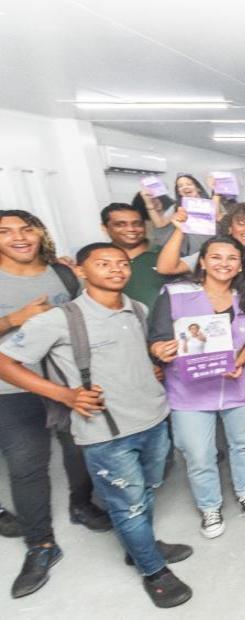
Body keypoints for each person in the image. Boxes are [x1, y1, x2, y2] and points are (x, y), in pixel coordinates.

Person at [0, 242, 194, 608]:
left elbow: (132, 357)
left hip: (153, 418)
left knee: (147, 490)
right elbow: (6, 361)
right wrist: (63, 394)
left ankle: (140, 546)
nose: (116, 269)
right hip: (108, 432)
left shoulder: (137, 309)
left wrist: (153, 361)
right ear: (81, 272)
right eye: (103, 263)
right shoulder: (61, 318)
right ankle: (153, 571)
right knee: (128, 504)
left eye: (122, 263)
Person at [0, 211, 113, 599]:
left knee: (78, 451)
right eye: (6, 231)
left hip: (68, 383)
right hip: (13, 390)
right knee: (26, 467)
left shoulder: (61, 273)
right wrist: (15, 318)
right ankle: (41, 543)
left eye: (26, 228)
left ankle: (80, 505)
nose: (19, 237)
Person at [148, 236, 245, 540]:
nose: (224, 264)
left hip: (239, 384)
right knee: (199, 454)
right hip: (190, 392)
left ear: (241, 264)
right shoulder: (175, 294)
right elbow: (157, 337)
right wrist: (159, 349)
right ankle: (209, 506)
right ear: (201, 261)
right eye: (216, 257)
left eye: (232, 258)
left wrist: (244, 357)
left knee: (242, 445)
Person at [156, 203, 245, 286]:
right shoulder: (214, 253)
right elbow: (166, 268)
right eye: (241, 224)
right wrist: (180, 229)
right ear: (230, 228)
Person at [100, 202, 170, 310]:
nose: (131, 229)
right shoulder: (96, 260)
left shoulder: (168, 254)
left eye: (137, 224)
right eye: (120, 224)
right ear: (104, 228)